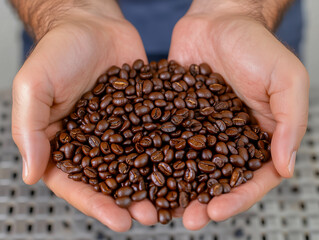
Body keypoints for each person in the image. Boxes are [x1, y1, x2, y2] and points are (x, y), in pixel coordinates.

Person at [10, 0, 309, 232]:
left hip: (246, 46)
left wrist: (238, 9)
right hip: (74, 50)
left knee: (237, 211)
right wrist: (68, 13)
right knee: (93, 212)